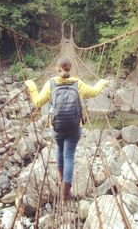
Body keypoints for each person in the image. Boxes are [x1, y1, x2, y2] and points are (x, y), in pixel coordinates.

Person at [25, 57, 108, 201]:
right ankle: (65, 191)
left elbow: (38, 102)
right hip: (75, 126)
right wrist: (101, 82)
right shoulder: (78, 83)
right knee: (69, 155)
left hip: (57, 127)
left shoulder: (50, 84)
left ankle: (60, 175)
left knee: (59, 149)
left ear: (57, 69)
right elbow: (94, 92)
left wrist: (31, 86)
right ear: (70, 69)